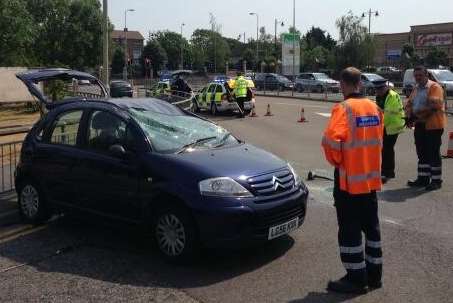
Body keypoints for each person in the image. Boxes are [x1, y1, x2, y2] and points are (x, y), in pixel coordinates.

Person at [322, 67, 384, 294]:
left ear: (342, 84)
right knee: (372, 230)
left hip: (349, 183)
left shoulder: (343, 108)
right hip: (370, 182)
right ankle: (375, 276)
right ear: (360, 83)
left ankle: (356, 279)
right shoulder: (375, 107)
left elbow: (330, 142)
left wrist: (339, 161)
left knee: (350, 231)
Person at [406, 66, 446, 191]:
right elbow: (409, 104)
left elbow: (434, 106)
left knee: (433, 153)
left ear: (426, 75)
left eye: (420, 75)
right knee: (421, 152)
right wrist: (409, 116)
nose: (417, 78)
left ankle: (436, 180)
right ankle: (423, 179)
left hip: (433, 125)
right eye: (416, 75)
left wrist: (416, 115)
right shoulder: (416, 88)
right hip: (420, 125)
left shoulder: (434, 87)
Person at [373, 79, 405, 184]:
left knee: (387, 149)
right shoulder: (378, 96)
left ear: (386, 87)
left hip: (393, 125)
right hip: (386, 125)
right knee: (386, 149)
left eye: (381, 88)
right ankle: (387, 171)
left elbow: (388, 113)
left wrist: (380, 125)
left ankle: (387, 172)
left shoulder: (392, 96)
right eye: (377, 89)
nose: (379, 91)